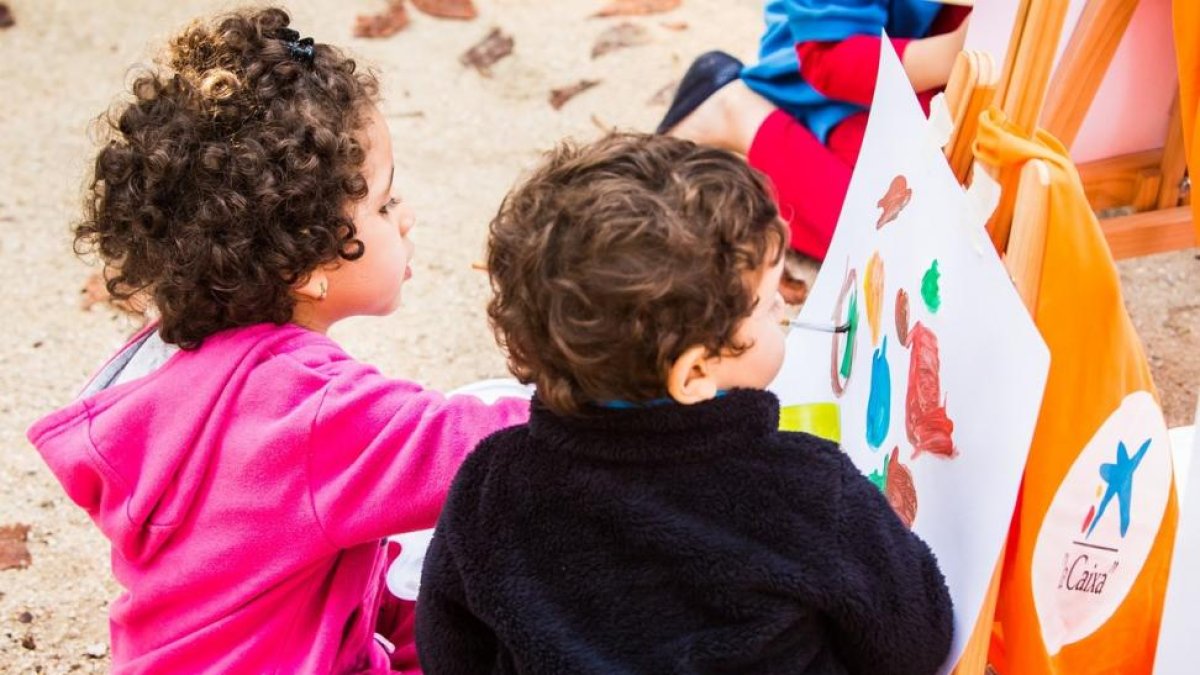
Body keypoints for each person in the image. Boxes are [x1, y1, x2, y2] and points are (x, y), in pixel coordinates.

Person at [25, 7, 526, 672]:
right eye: (383, 204)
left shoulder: (169, 363)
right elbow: (465, 446)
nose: (406, 218)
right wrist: (590, 394)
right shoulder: (306, 406)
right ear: (309, 267)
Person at [415, 133, 954, 674]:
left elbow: (450, 651)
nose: (786, 316)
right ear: (694, 372)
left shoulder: (490, 482)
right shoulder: (808, 489)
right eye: (768, 307)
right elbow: (915, 643)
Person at [659, 1, 970, 273]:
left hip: (933, 70)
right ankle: (736, 112)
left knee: (966, 212)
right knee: (902, 240)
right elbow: (828, 59)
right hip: (827, 84)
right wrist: (953, 53)